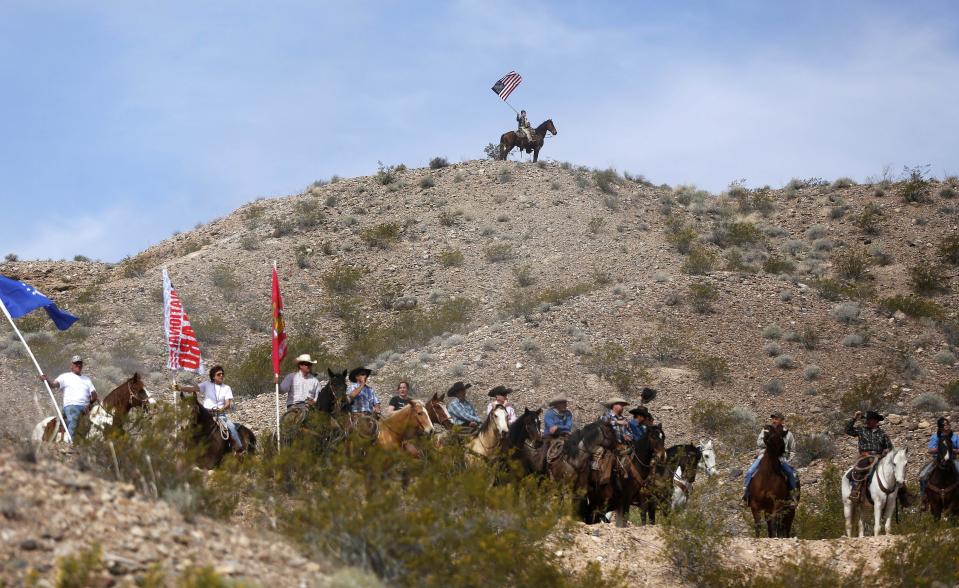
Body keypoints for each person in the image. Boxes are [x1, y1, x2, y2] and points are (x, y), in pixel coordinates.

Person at [175, 365, 245, 453]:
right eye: (219, 374)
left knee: (231, 428)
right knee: (190, 426)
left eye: (222, 374)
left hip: (220, 415)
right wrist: (180, 388)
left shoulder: (227, 388)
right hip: (206, 414)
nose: (221, 376)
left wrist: (222, 409)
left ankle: (239, 450)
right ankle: (184, 450)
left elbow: (228, 403)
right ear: (213, 376)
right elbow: (193, 389)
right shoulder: (207, 384)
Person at [742, 412, 799, 502]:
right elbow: (759, 442)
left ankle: (792, 495)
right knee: (750, 472)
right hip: (764, 455)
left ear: (782, 420)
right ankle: (746, 495)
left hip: (781, 458)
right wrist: (770, 442)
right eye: (773, 419)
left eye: (776, 419)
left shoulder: (788, 434)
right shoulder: (766, 430)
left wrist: (788, 459)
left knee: (791, 473)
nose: (774, 421)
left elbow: (792, 450)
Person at [39, 355, 97, 442]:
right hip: (72, 406)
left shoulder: (87, 379)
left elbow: (94, 394)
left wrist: (90, 403)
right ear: (71, 365)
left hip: (87, 407)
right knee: (74, 418)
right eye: (76, 363)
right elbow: (54, 385)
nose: (78, 365)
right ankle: (70, 443)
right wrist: (46, 380)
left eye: (80, 363)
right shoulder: (65, 377)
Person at [845, 410, 894, 500]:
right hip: (865, 456)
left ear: (875, 421)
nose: (867, 421)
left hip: (879, 457)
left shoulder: (882, 434)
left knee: (895, 471)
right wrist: (854, 418)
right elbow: (848, 430)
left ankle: (903, 495)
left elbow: (889, 448)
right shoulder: (861, 430)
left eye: (870, 420)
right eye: (867, 420)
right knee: (861, 468)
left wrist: (885, 453)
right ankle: (855, 490)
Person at [918, 416, 959, 500]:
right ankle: (923, 497)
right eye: (944, 425)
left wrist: (951, 449)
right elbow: (930, 450)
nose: (947, 426)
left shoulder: (955, 437)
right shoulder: (935, 437)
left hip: (952, 459)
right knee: (923, 476)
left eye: (947, 424)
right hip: (937, 460)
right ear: (940, 428)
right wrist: (940, 449)